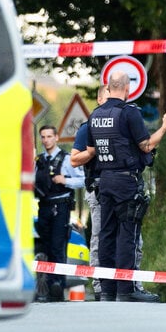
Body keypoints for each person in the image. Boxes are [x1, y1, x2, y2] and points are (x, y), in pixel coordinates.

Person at [83, 70, 166, 302]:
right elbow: (145, 145)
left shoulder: (94, 116)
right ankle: (126, 289)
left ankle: (107, 289)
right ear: (127, 88)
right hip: (125, 181)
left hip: (105, 181)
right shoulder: (129, 113)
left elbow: (93, 150)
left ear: (108, 87)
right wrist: (164, 127)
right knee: (127, 235)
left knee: (106, 234)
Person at [34, 124, 85, 302]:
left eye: (49, 136)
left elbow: (83, 180)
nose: (46, 140)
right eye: (43, 137)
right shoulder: (39, 161)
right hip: (43, 207)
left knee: (57, 247)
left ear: (56, 138)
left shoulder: (66, 159)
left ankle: (57, 284)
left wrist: (65, 180)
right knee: (45, 247)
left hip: (60, 207)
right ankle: (46, 287)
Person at [71, 84, 108, 300]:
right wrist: (91, 153)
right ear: (101, 99)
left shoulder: (121, 125)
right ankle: (99, 284)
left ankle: (125, 283)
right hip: (98, 188)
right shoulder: (89, 127)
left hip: (120, 188)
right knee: (99, 236)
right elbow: (74, 159)